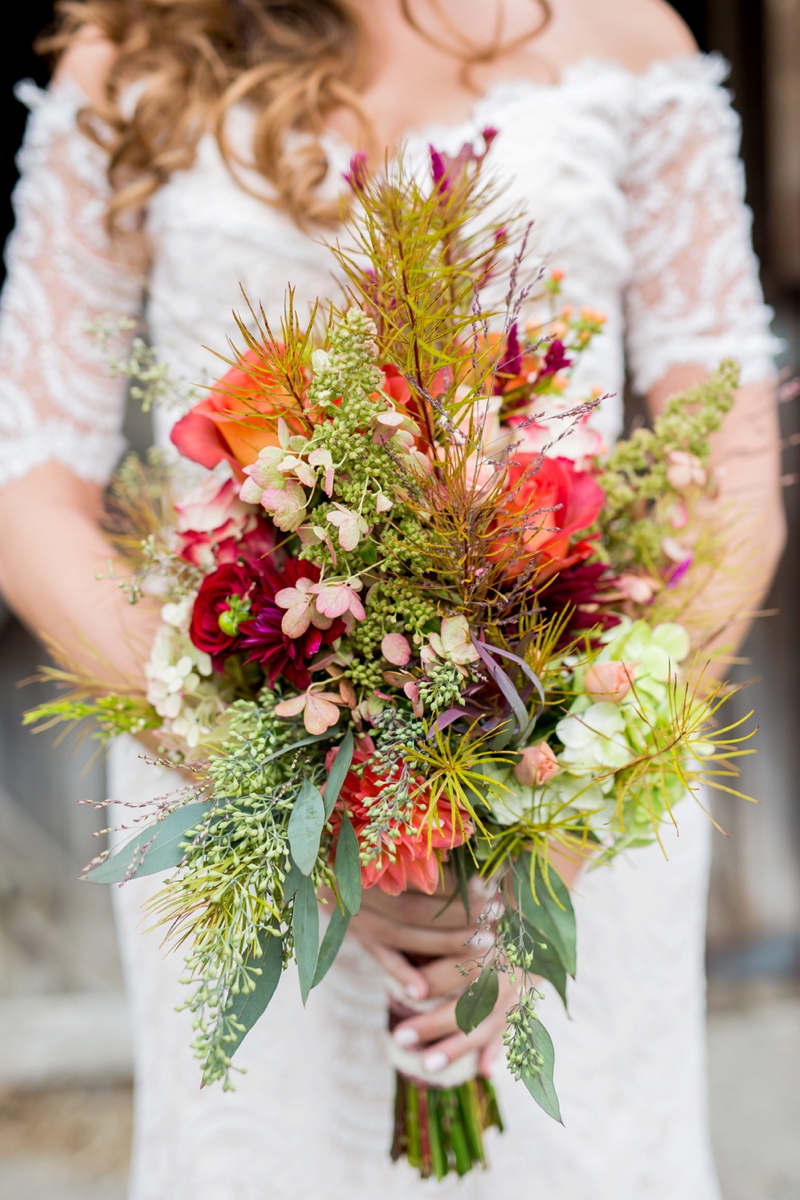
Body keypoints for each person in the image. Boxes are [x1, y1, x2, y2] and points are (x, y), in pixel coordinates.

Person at [0, 1, 785, 1196]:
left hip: (562, 779)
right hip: (239, 780)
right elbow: (25, 480)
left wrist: (557, 821)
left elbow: (725, 467)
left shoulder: (632, 40)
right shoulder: (137, 50)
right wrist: (281, 796)